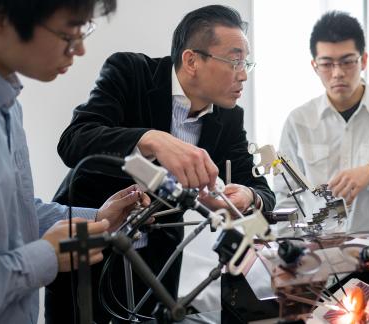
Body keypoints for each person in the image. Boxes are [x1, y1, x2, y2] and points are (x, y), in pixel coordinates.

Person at [46, 5, 275, 323]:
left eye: (246, 62)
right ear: (192, 60)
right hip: (89, 249)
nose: (244, 74)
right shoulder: (131, 73)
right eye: (234, 61)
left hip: (157, 265)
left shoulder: (228, 117)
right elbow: (74, 141)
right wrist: (150, 139)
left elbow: (262, 190)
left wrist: (249, 197)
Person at [0, 0, 152, 323]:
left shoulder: (9, 108)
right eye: (68, 34)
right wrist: (45, 257)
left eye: (83, 32)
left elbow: (17, 214)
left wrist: (100, 217)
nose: (78, 51)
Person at [274, 11, 369, 234]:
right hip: (315, 256)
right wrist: (290, 256)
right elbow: (286, 198)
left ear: (363, 60)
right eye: (326, 63)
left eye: (347, 62)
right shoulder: (298, 122)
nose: (338, 73)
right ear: (314, 65)